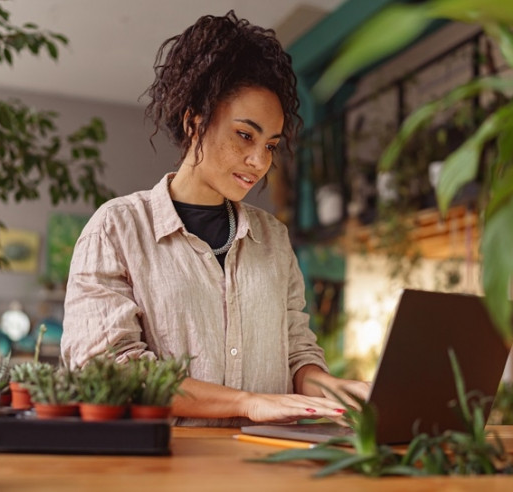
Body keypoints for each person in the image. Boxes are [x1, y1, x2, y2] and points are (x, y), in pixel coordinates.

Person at [61, 10, 370, 427]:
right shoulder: (116, 229)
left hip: (267, 469)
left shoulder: (272, 238)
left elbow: (297, 354)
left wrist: (339, 391)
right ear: (195, 122)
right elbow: (109, 371)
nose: (259, 161)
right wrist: (245, 402)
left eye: (271, 145)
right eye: (245, 135)